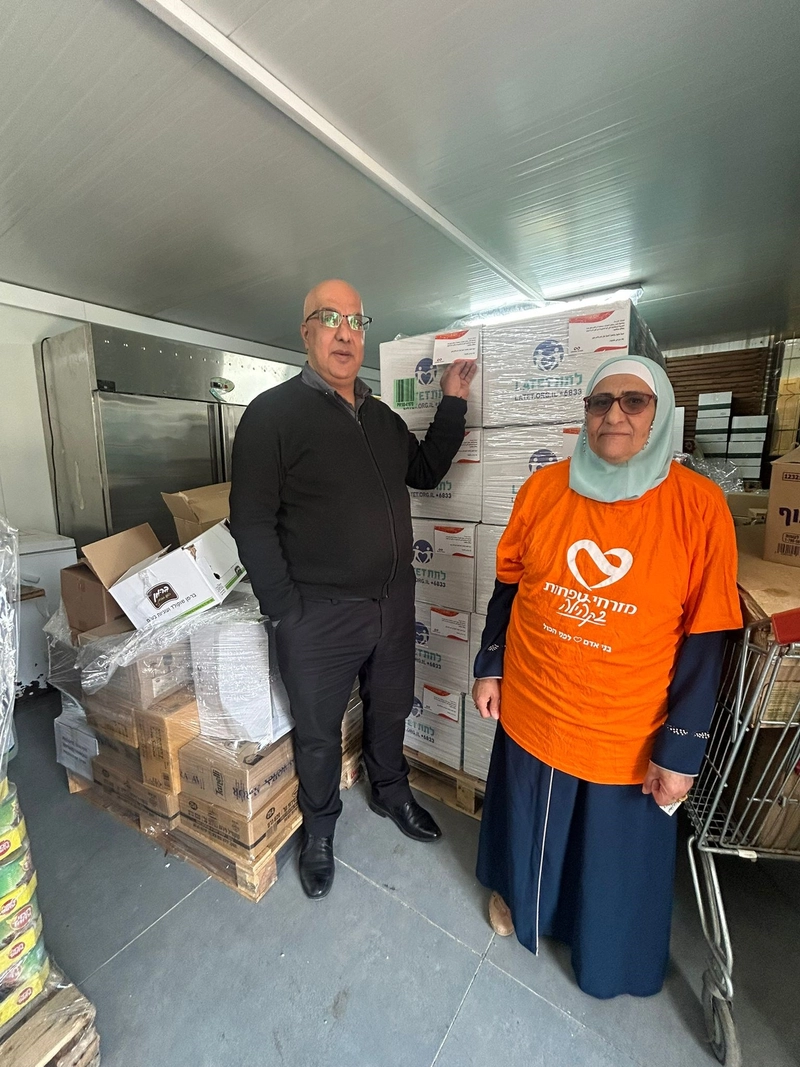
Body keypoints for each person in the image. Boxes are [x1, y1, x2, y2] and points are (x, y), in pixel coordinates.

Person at [472, 354, 742, 998]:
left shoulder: (698, 507)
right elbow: (509, 585)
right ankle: (518, 899)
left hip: (627, 727)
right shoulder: (545, 489)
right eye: (600, 402)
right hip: (535, 704)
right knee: (526, 820)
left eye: (634, 402)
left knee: (611, 862)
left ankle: (602, 949)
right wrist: (491, 664)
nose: (614, 414)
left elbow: (707, 637)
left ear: (661, 415)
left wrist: (680, 750)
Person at [230, 279, 477, 900]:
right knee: (317, 733)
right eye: (330, 318)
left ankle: (391, 791)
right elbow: (251, 521)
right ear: (307, 332)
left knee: (389, 707)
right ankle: (319, 831)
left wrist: (452, 403)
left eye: (356, 321)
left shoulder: (381, 417)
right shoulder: (271, 415)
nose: (345, 332)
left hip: (392, 603)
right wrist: (285, 611)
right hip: (318, 615)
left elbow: (425, 470)